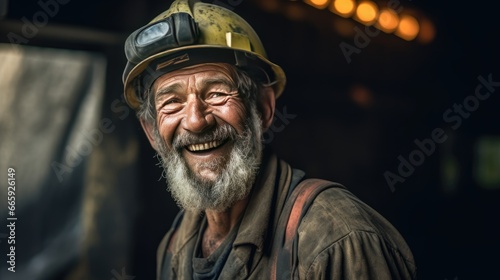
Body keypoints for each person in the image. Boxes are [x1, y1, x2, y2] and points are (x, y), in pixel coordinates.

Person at [122, 0, 417, 279]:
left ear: (263, 109)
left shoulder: (338, 239)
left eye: (216, 93)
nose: (196, 120)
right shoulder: (175, 247)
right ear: (151, 131)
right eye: (172, 102)